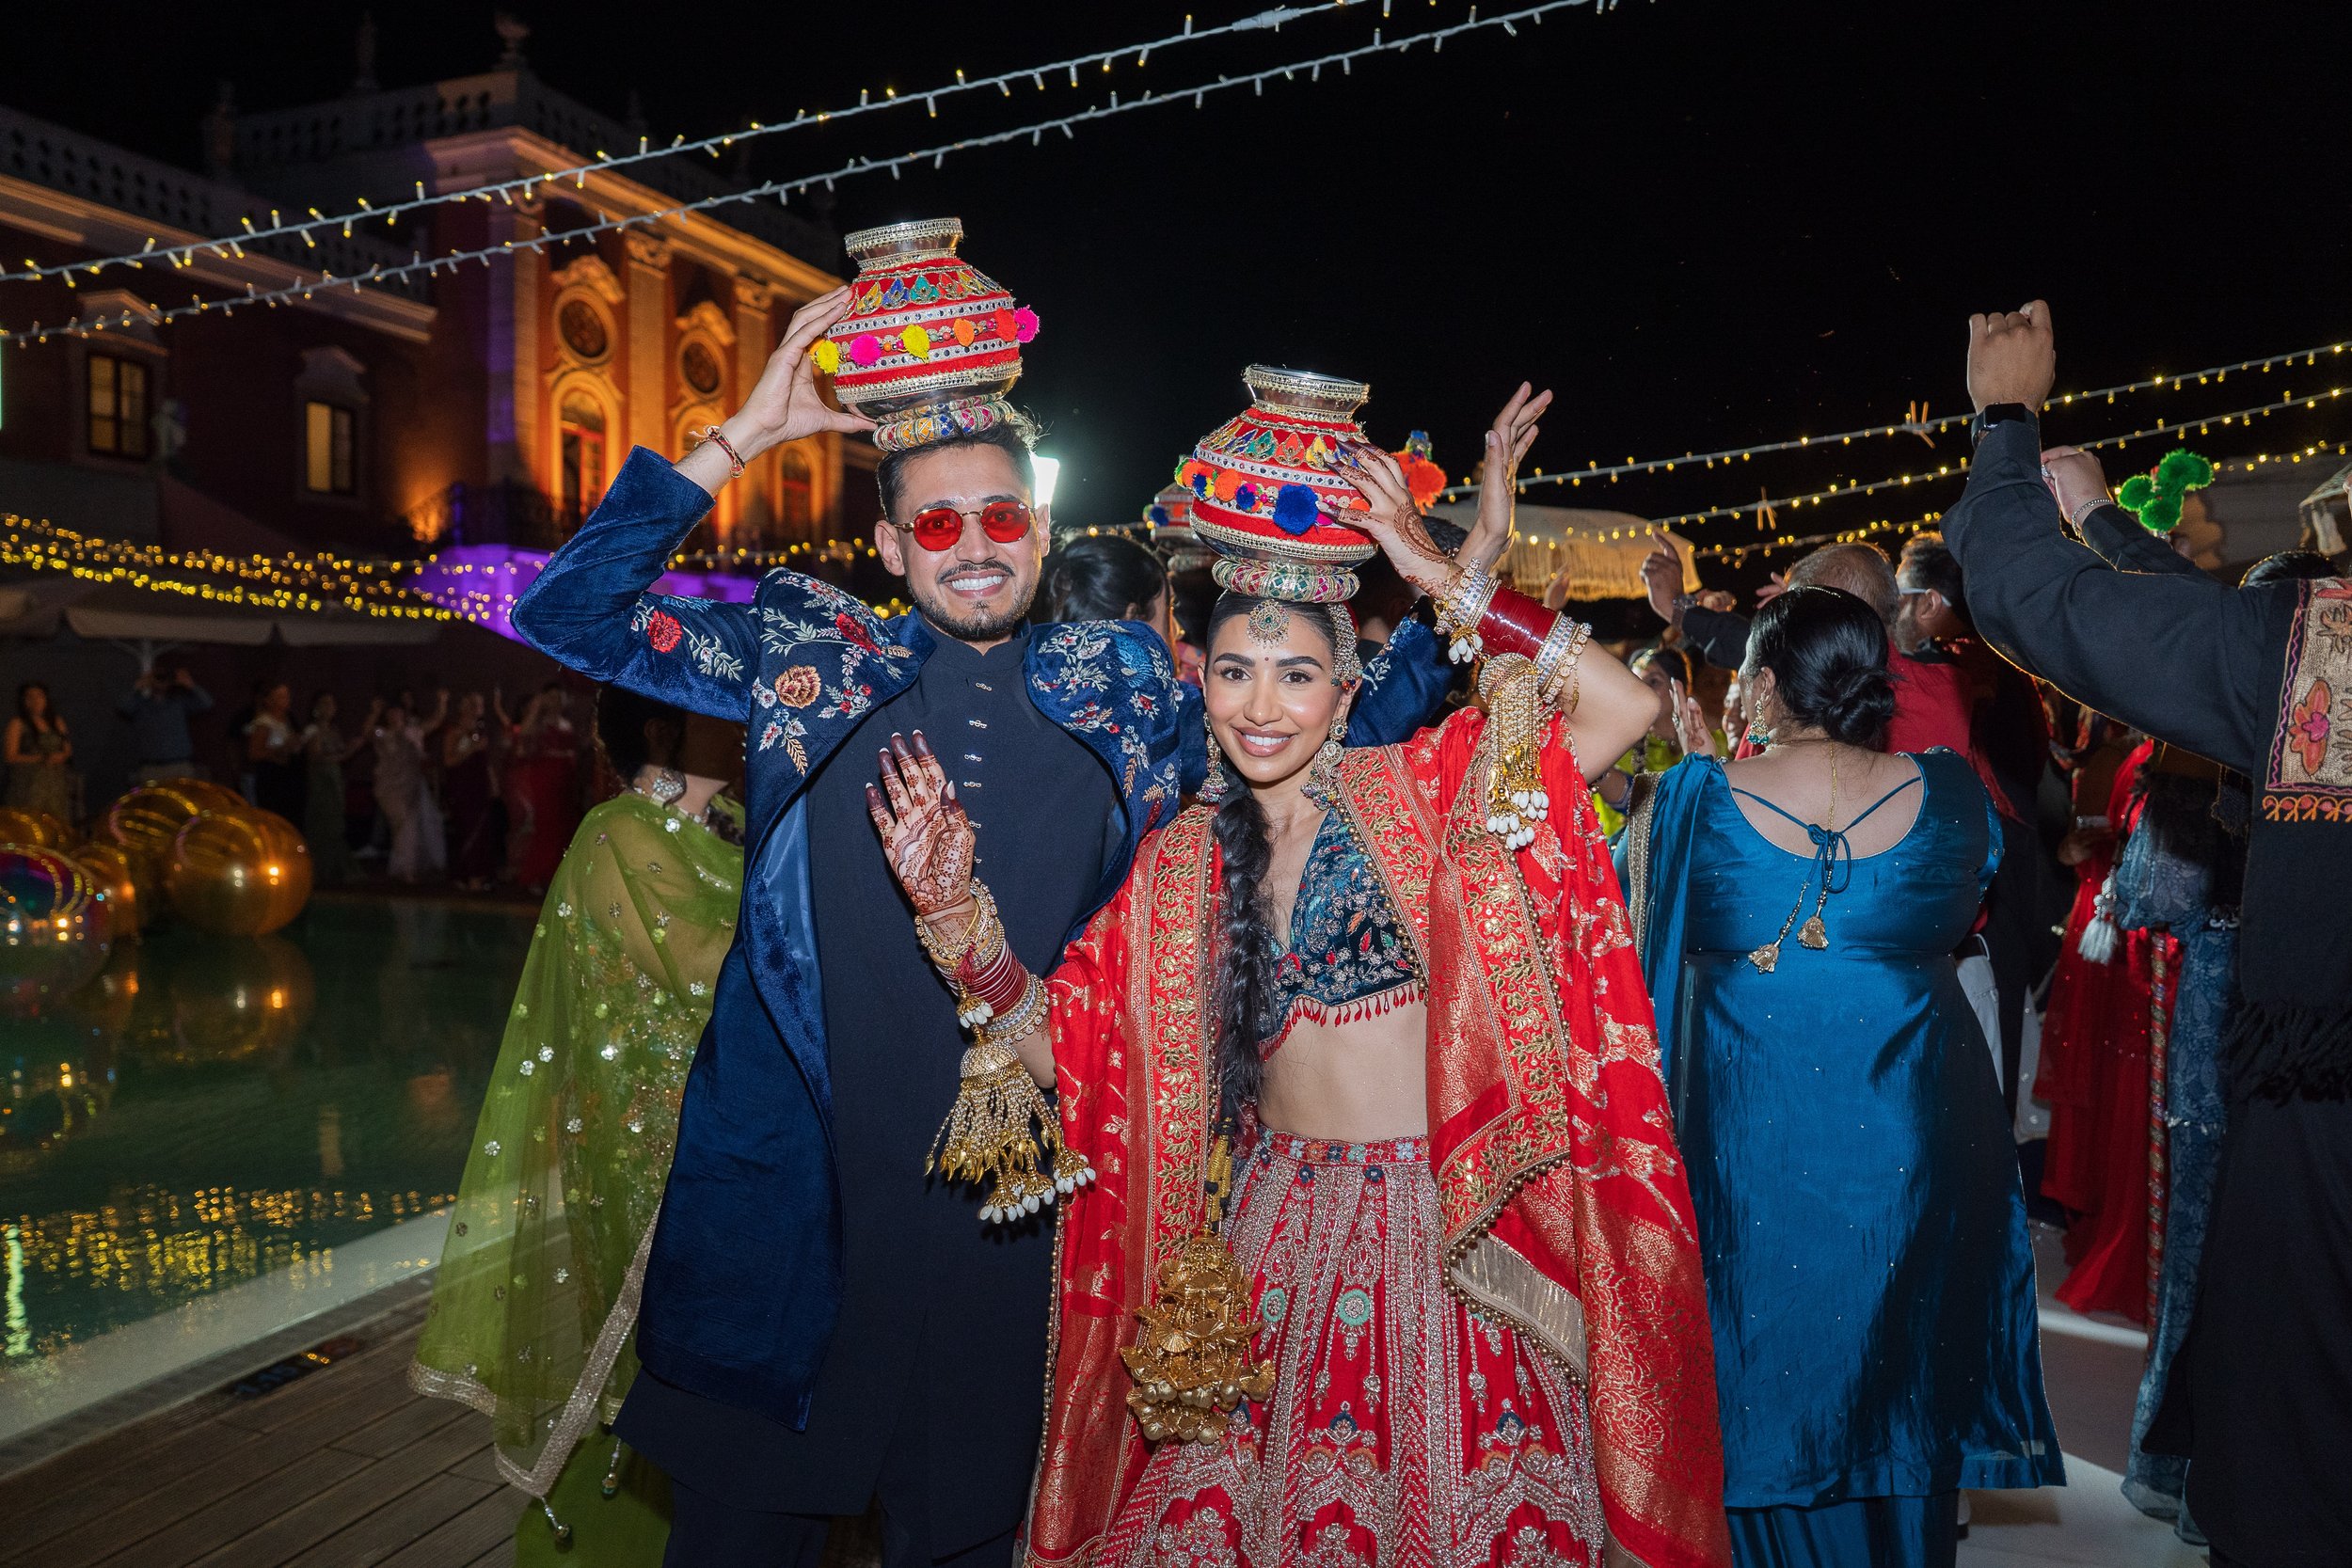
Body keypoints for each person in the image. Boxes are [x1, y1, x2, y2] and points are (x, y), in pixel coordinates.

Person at [508, 287, 1466, 1568]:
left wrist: (1434, 575)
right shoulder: (813, 652)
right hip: (795, 1233)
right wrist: (742, 432)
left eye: (1003, 515)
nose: (974, 543)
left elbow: (1340, 738)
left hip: (1014, 1251)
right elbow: (565, 610)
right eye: (939, 521)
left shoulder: (1119, 689)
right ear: (893, 545)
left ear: (1044, 527)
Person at [863, 390, 1730, 1568]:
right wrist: (959, 921)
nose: (1261, 706)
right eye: (1232, 670)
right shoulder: (1178, 865)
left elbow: (1622, 707)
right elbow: (1070, 1058)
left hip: (1444, 1236)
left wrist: (1434, 571)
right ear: (1199, 680)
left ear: (1345, 685)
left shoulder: (1429, 796)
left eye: (1295, 674)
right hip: (1267, 1250)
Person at [1943, 299, 2352, 1568]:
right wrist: (2109, 519)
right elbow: (2239, 647)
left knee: (2302, 1443)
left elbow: (2041, 604)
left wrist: (2005, 424)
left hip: (2327, 1134)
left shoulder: (2324, 653)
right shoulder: (2306, 650)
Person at [1614, 585, 2060, 1566]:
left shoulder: (1696, 797)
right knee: (1899, 1363)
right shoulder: (1949, 790)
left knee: (1757, 1357)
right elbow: (1977, 888)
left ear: (1764, 682)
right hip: (1917, 1123)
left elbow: (1619, 922)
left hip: (1749, 1128)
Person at [412, 685, 747, 1565]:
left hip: (730, 1139)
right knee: (649, 1359)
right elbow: (711, 971)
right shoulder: (620, 835)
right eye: (718, 704)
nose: (743, 716)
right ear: (665, 731)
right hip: (650, 1150)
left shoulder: (736, 824)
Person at [505, 684, 584, 891]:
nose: (556, 702)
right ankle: (538, 874)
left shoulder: (567, 723)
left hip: (566, 778)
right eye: (552, 697)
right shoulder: (539, 723)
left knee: (564, 824)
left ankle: (558, 875)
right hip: (545, 775)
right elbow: (521, 736)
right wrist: (535, 708)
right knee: (546, 824)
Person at [301, 691, 379, 886]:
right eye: (325, 703)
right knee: (323, 824)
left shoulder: (334, 730)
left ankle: (332, 869)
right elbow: (316, 757)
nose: (330, 708)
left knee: (335, 823)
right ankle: (321, 869)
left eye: (332, 703)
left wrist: (353, 748)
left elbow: (343, 754)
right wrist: (341, 755)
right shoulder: (313, 730)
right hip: (322, 780)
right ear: (316, 708)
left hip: (334, 779)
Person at [375, 690, 449, 883]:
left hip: (410, 785)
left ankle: (405, 869)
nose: (394, 715)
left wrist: (442, 702)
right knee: (404, 823)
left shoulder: (412, 731)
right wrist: (374, 713)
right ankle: (405, 869)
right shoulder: (382, 733)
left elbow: (436, 721)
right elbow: (368, 733)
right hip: (390, 787)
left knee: (409, 826)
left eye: (397, 712)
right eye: (391, 712)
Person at [443, 689, 507, 891]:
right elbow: (449, 760)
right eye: (473, 704)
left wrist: (493, 783)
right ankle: (467, 875)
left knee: (483, 831)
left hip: (480, 786)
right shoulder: (454, 731)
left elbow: (485, 762)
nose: (477, 709)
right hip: (463, 787)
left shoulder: (481, 730)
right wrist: (471, 748)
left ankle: (481, 875)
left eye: (480, 705)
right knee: (466, 828)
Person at [117, 665, 214, 783]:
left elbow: (206, 703)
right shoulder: (141, 705)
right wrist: (138, 686)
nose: (161, 681)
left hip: (178, 766)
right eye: (157, 677)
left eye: (164, 677)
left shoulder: (179, 703)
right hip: (151, 767)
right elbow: (123, 707)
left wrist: (190, 685)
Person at [4, 682, 75, 820]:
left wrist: (60, 756)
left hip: (55, 783)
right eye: (30, 697)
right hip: (29, 784)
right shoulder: (18, 723)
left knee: (55, 820)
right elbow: (10, 756)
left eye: (39, 696)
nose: (35, 701)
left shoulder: (56, 722)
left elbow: (67, 750)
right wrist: (41, 758)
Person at [246, 680, 305, 822]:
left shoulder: (289, 721)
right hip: (271, 778)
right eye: (280, 697)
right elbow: (254, 754)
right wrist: (281, 749)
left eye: (287, 696)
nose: (286, 701)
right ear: (269, 700)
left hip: (288, 778)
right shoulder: (264, 723)